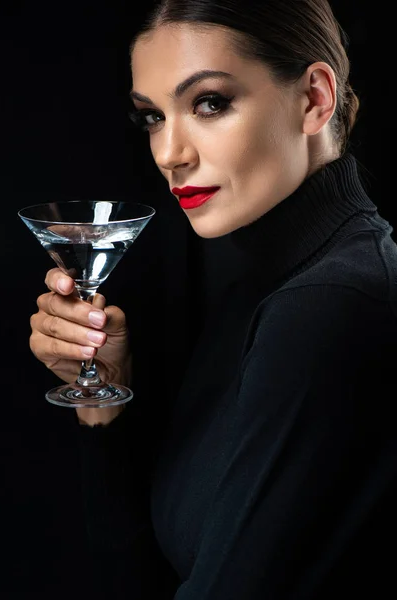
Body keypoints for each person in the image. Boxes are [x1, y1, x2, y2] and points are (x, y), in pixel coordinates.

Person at [28, 0, 396, 598]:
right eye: (152, 117)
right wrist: (104, 402)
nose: (170, 153)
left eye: (209, 103)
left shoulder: (330, 305)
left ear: (314, 100)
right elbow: (155, 572)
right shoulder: (259, 291)